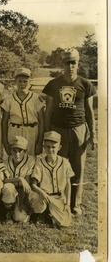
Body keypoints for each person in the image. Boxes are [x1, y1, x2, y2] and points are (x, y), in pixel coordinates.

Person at [42, 48, 97, 216]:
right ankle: (61, 201)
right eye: (67, 63)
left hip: (78, 129)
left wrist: (93, 135)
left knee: (78, 167)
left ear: (77, 64)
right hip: (58, 130)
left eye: (73, 63)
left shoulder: (85, 84)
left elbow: (89, 112)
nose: (70, 66)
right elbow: (48, 111)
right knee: (59, 167)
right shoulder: (54, 84)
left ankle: (76, 204)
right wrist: (46, 134)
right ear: (62, 65)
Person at [29, 131, 75, 228]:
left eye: (53, 147)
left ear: (59, 148)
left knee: (64, 223)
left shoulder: (65, 162)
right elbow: (33, 184)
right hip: (44, 196)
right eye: (47, 147)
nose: (50, 150)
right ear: (44, 147)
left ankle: (49, 214)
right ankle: (41, 213)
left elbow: (68, 185)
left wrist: (68, 203)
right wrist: (42, 193)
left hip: (58, 197)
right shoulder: (40, 162)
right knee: (39, 204)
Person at [1, 68, 44, 155]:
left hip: (31, 132)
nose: (22, 84)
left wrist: (40, 142)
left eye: (25, 81)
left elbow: (41, 121)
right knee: (13, 159)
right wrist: (5, 141)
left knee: (30, 160)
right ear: (15, 82)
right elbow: (4, 121)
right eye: (20, 81)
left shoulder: (36, 98)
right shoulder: (9, 99)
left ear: (29, 82)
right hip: (14, 131)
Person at [2, 136, 35, 223]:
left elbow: (27, 185)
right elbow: (4, 180)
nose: (17, 153)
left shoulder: (30, 160)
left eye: (20, 150)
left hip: (23, 191)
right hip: (9, 190)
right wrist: (20, 179)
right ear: (10, 150)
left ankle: (18, 209)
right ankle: (7, 212)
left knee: (20, 219)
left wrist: (23, 202)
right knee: (8, 187)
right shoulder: (5, 159)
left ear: (25, 151)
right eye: (14, 150)